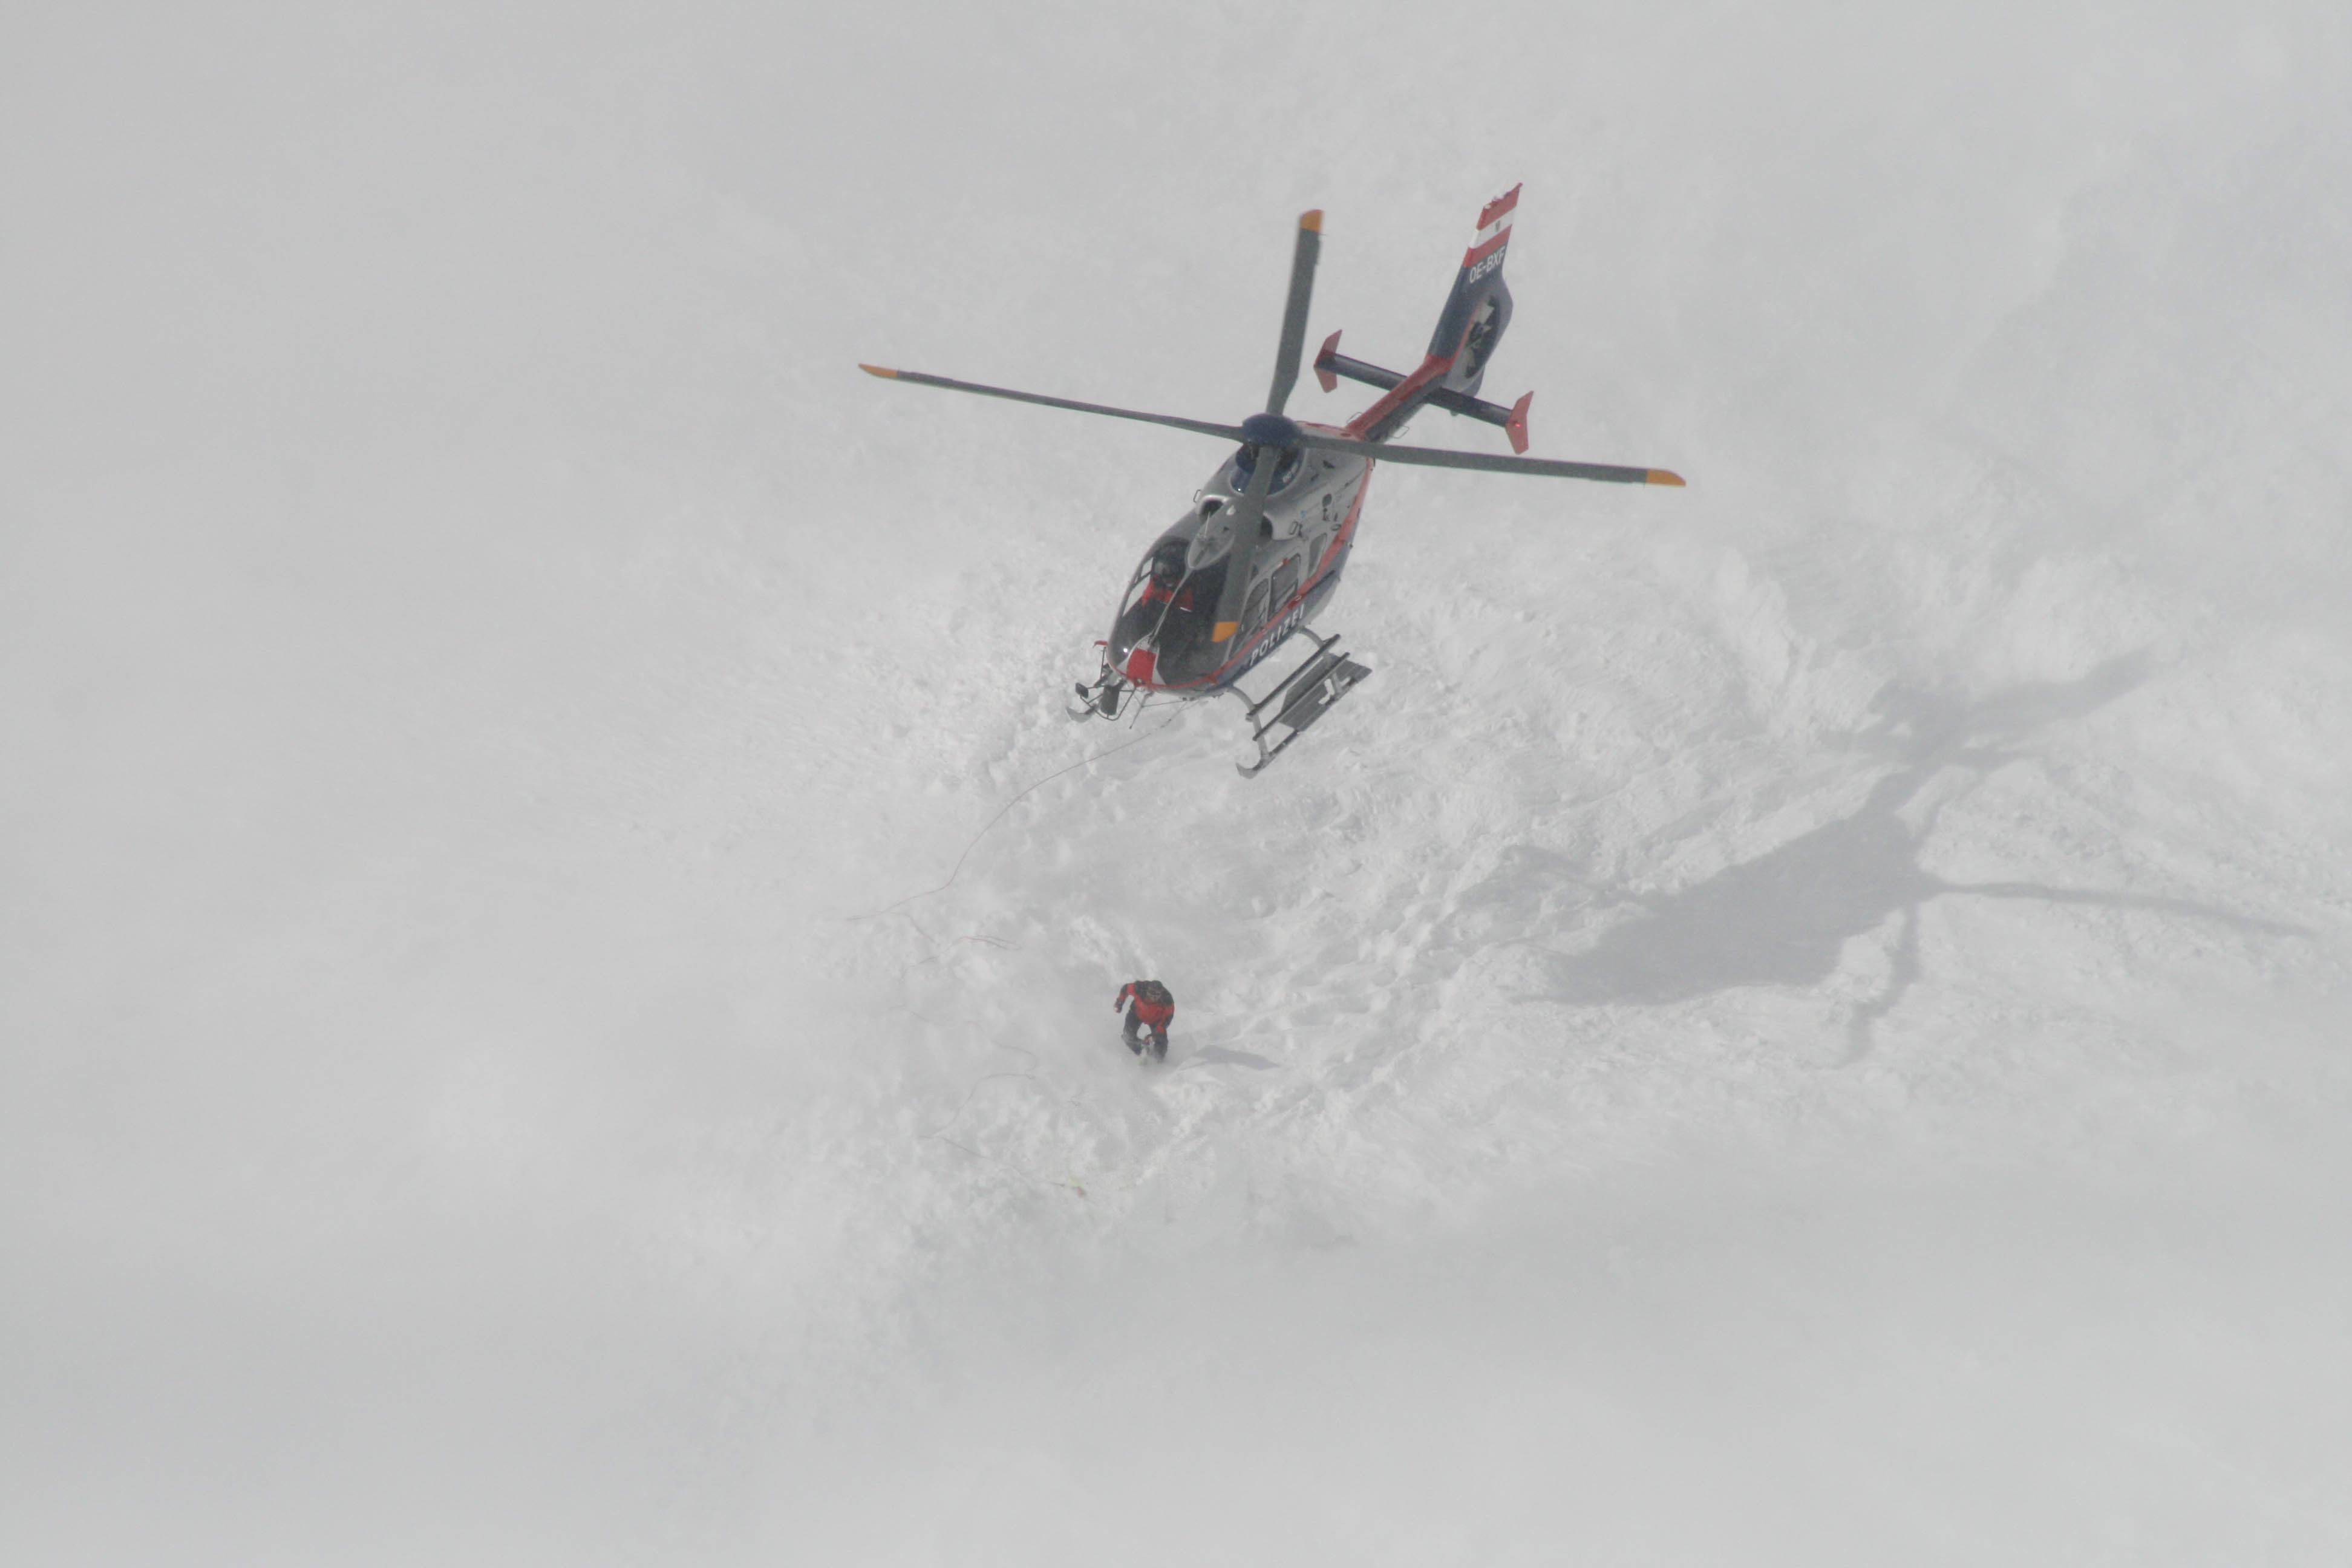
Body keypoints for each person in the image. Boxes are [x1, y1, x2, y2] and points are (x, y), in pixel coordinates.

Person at [1115, 979, 1175, 1062]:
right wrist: (1120, 1002)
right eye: (1151, 993)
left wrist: (1155, 1034)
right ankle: (1142, 1051)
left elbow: (1168, 1018)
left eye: (1157, 995)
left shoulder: (1167, 1000)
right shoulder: (1140, 988)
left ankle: (1159, 1061)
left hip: (1156, 1020)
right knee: (1128, 1037)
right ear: (1147, 990)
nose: (1153, 997)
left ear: (1161, 994)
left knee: (1161, 1041)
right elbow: (1126, 988)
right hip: (1136, 1014)